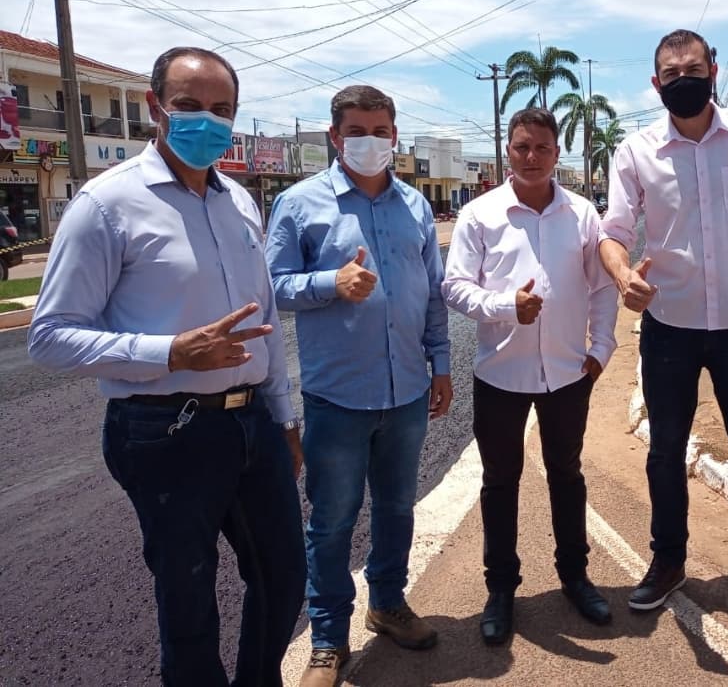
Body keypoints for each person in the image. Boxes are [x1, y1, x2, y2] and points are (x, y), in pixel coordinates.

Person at [27, 47, 305, 687]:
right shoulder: (106, 205)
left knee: (284, 573)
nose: (206, 121)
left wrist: (284, 421)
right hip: (165, 429)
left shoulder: (239, 200)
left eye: (221, 110)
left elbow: (263, 319)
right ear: (156, 109)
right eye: (188, 106)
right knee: (188, 599)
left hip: (252, 425)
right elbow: (50, 336)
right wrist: (170, 351)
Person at [599, 28, 728, 641]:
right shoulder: (636, 152)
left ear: (713, 70)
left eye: (693, 67)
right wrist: (623, 273)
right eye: (671, 72)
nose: (683, 78)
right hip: (669, 330)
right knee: (664, 455)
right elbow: (613, 228)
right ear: (656, 84)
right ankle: (669, 560)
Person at [265, 84, 451, 686]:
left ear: (394, 135)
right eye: (356, 131)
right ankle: (326, 639)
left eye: (379, 130)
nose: (368, 141)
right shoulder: (298, 204)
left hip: (406, 395)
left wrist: (441, 362)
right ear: (333, 135)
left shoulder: (416, 207)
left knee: (398, 508)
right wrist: (329, 284)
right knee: (332, 520)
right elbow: (270, 289)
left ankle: (387, 603)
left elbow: (433, 296)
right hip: (337, 398)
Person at [443, 107, 618, 645]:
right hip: (501, 374)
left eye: (542, 147)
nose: (532, 157)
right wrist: (503, 306)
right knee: (500, 482)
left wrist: (602, 348)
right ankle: (501, 590)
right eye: (522, 147)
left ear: (556, 153)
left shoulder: (584, 215)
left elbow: (602, 286)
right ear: (507, 152)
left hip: (568, 373)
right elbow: (453, 286)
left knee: (567, 474)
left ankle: (575, 576)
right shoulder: (479, 215)